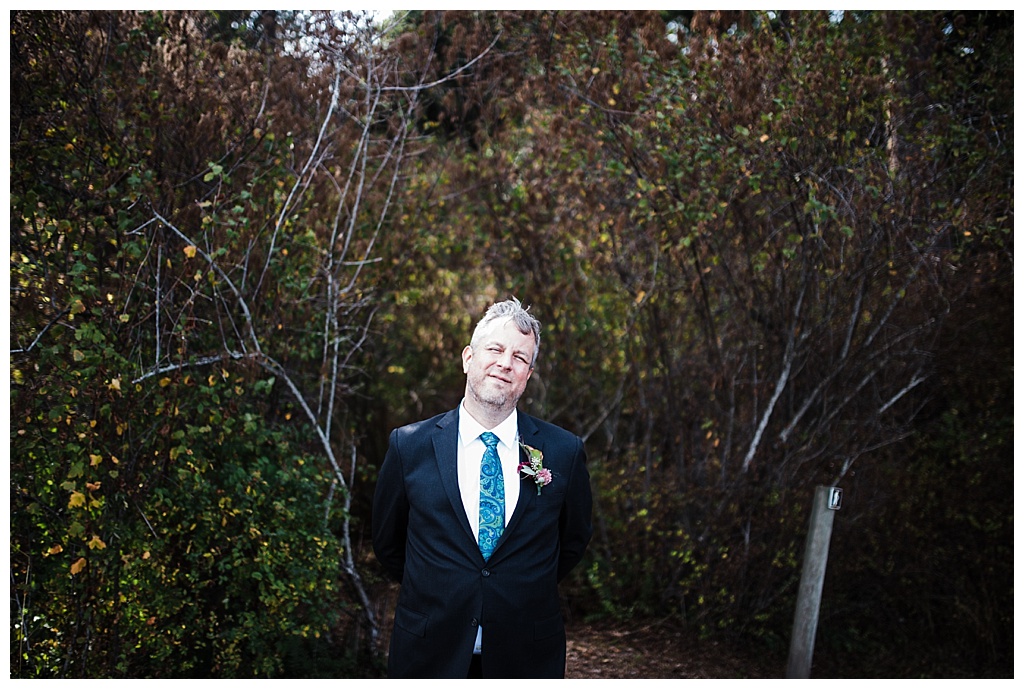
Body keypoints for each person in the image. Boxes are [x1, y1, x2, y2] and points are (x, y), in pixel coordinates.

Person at [372, 297, 593, 679]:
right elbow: (388, 543)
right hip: (429, 652)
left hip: (526, 657)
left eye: (520, 358)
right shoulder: (409, 446)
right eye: (495, 349)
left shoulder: (563, 452)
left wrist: (519, 584)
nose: (506, 363)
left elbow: (571, 541)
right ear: (468, 358)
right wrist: (441, 584)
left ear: (528, 374)